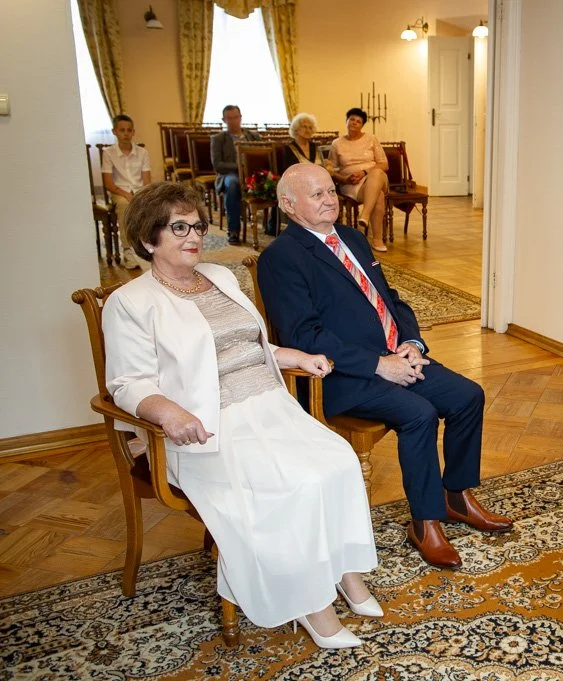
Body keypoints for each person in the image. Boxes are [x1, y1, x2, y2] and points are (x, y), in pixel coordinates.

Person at [103, 182, 381, 649]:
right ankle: (312, 604)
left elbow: (249, 342)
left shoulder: (221, 276)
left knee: (338, 462)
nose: (193, 236)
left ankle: (345, 574)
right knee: (295, 483)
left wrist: (293, 356)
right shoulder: (131, 302)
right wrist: (168, 412)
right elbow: (127, 384)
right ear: (149, 239)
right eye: (178, 228)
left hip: (271, 406)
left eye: (197, 225)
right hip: (209, 425)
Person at [257, 164, 512, 570]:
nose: (330, 200)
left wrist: (412, 342)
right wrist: (379, 365)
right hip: (343, 376)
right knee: (420, 414)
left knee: (468, 396)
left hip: (397, 356)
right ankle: (425, 521)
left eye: (330, 191)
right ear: (288, 205)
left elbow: (391, 299)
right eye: (317, 195)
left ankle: (456, 496)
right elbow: (303, 335)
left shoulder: (354, 238)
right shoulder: (281, 258)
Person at [326, 107, 389, 252]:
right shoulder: (336, 144)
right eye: (352, 119)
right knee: (377, 195)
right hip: (351, 184)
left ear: (362, 125)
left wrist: (364, 172)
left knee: (376, 173)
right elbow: (332, 170)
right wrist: (345, 178)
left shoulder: (371, 139)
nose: (354, 123)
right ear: (346, 121)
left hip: (377, 178)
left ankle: (364, 215)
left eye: (358, 121)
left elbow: (384, 164)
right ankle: (377, 240)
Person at [100, 114, 151, 270]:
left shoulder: (142, 153)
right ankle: (127, 250)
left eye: (129, 130)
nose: (126, 133)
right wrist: (126, 194)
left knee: (154, 204)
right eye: (122, 130)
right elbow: (108, 183)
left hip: (139, 191)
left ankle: (149, 245)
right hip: (119, 192)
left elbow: (146, 181)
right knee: (124, 205)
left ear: (133, 132)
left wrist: (140, 195)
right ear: (114, 131)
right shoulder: (108, 153)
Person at [211, 105, 261, 244]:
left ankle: (272, 226)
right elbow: (217, 165)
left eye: (236, 117)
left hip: (253, 173)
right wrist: (240, 167)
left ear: (240, 117)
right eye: (229, 118)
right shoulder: (218, 139)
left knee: (275, 182)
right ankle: (233, 230)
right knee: (233, 185)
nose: (233, 121)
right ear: (224, 120)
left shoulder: (253, 136)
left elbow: (262, 155)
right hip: (229, 174)